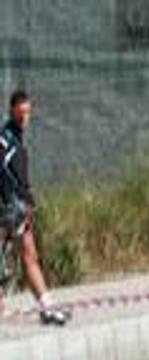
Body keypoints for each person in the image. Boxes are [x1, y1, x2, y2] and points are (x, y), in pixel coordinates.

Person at [0, 90, 69, 325]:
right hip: (10, 209)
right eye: (20, 114)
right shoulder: (5, 138)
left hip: (18, 208)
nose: (25, 119)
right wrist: (11, 200)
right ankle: (46, 308)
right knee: (27, 257)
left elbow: (18, 176)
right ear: (11, 111)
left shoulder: (16, 137)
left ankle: (47, 308)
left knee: (28, 257)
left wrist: (27, 198)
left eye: (27, 113)